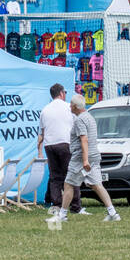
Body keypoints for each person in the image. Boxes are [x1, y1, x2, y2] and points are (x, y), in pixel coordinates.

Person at [54, 94, 120, 222]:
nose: (69, 106)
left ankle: (62, 215)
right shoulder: (90, 117)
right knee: (97, 185)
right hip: (94, 155)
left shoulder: (79, 120)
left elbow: (84, 139)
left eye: (71, 104)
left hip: (81, 157)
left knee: (69, 184)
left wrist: (85, 160)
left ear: (75, 106)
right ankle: (113, 213)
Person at [36, 83, 79, 214]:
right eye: (65, 92)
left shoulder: (45, 110)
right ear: (61, 93)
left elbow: (41, 134)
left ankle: (57, 204)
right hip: (65, 143)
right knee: (71, 175)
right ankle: (75, 205)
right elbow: (77, 126)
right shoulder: (68, 108)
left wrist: (39, 151)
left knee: (55, 176)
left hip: (50, 145)